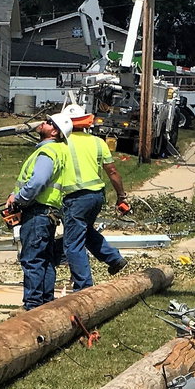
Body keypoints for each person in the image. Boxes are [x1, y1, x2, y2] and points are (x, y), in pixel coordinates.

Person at [6, 113, 72, 310]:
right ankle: (45, 303)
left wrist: (19, 199)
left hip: (37, 211)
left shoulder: (47, 151)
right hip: (48, 212)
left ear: (55, 131)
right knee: (45, 260)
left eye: (49, 122)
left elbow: (38, 181)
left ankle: (32, 305)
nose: (43, 122)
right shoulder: (58, 150)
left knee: (32, 259)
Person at [58, 104, 127, 287]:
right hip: (96, 196)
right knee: (84, 231)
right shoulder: (98, 142)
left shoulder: (61, 143)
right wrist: (121, 196)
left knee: (73, 245)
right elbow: (112, 172)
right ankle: (113, 258)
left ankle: (84, 287)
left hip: (75, 197)